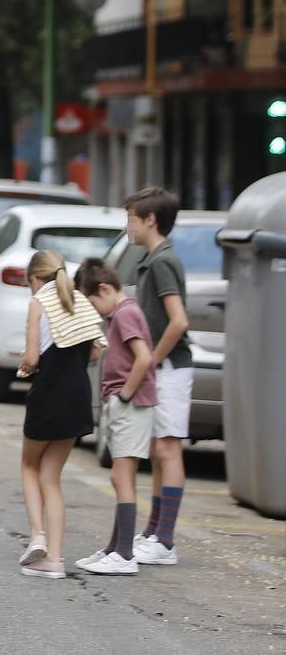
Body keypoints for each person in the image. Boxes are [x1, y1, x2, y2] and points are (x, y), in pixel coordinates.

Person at [15, 250, 105, 580]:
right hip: (78, 398)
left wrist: (25, 364)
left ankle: (37, 535)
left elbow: (32, 358)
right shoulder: (81, 301)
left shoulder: (39, 303)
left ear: (35, 279)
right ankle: (54, 559)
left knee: (29, 466)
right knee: (51, 478)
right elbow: (95, 351)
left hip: (48, 395)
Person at [74, 258, 158, 576]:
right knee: (119, 476)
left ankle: (124, 554)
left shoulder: (126, 314)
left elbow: (143, 358)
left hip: (131, 404)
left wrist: (124, 395)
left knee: (122, 476)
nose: (94, 310)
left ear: (105, 289)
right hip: (125, 403)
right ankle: (115, 547)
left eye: (92, 301)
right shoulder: (121, 314)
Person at [124, 186, 191, 567]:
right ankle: (153, 532)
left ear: (151, 220)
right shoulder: (152, 259)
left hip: (170, 368)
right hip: (163, 368)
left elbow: (178, 320)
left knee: (168, 449)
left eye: (132, 218)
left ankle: (165, 539)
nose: (128, 226)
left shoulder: (163, 261)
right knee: (157, 451)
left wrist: (150, 360)